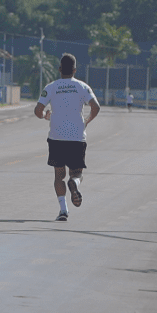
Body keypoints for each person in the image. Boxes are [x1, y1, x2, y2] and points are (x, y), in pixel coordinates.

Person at [34, 53, 100, 222]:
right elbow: (96, 107)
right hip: (77, 138)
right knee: (76, 173)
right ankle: (75, 185)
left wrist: (45, 116)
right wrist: (87, 121)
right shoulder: (82, 87)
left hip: (56, 138)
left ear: (59, 69)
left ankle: (63, 210)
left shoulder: (51, 87)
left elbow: (37, 110)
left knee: (58, 176)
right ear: (75, 70)